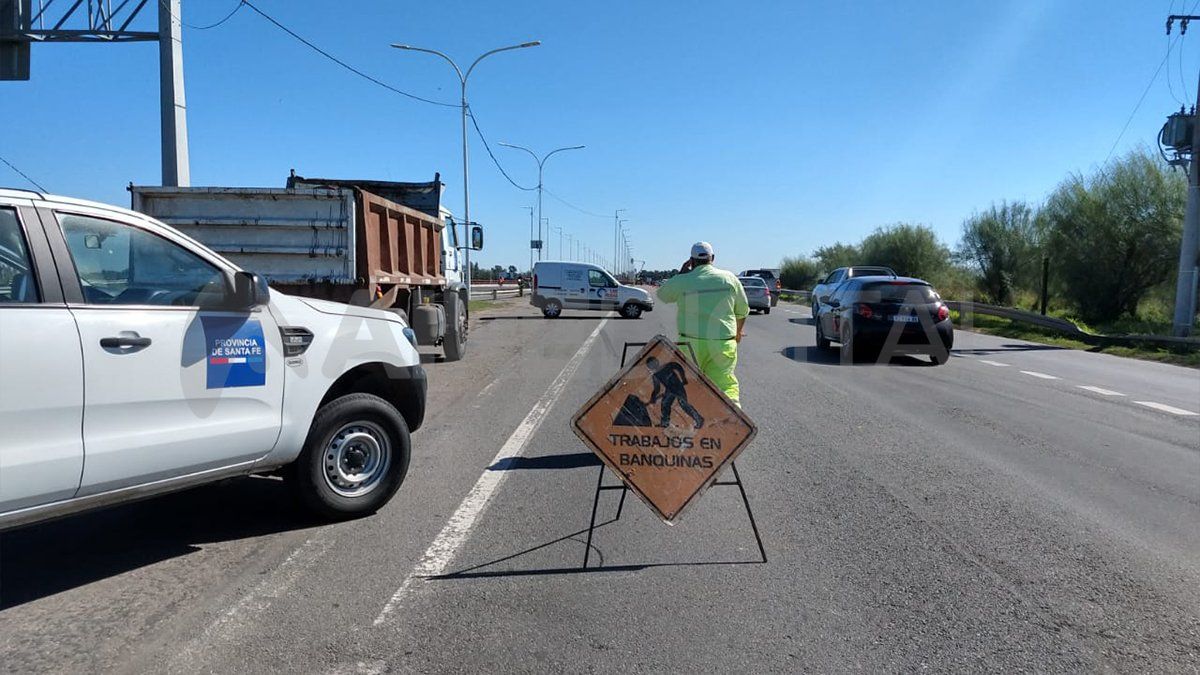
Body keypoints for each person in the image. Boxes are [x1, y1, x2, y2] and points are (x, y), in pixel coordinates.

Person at [656, 242, 749, 406]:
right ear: (712, 258)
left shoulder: (683, 281)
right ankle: (733, 417)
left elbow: (662, 295)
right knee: (725, 386)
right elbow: (742, 311)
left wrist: (680, 275)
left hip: (690, 344)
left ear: (691, 261)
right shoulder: (729, 278)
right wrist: (738, 332)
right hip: (722, 343)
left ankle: (693, 420)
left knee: (689, 388)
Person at [646, 356, 705, 429]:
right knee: (665, 404)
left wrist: (683, 378)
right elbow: (657, 389)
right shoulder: (657, 374)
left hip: (677, 387)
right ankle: (665, 423)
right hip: (670, 390)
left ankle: (698, 419)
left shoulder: (666, 367)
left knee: (683, 404)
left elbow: (678, 366)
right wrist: (653, 397)